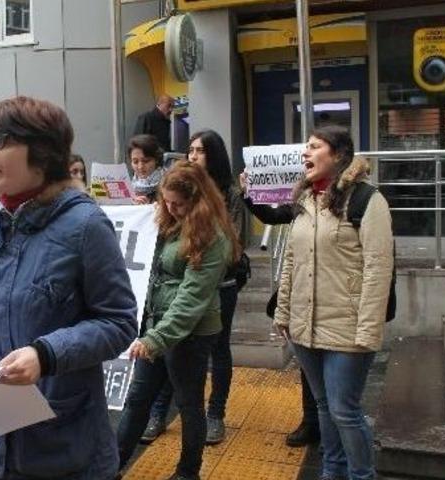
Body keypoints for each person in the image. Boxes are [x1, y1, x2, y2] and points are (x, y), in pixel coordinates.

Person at [0, 96, 137, 480]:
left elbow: (118, 322)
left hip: (60, 447)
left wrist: (45, 355)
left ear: (41, 152)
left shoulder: (86, 226)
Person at [274, 126, 393, 480]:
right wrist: (283, 312)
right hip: (304, 326)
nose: (304, 153)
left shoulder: (368, 200)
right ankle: (332, 471)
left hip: (348, 328)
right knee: (325, 407)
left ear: (338, 154)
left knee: (344, 410)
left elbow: (377, 268)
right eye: (304, 147)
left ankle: (361, 475)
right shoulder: (306, 200)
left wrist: (368, 330)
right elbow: (291, 262)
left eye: (314, 147)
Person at [117, 161, 240, 480]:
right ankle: (111, 467)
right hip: (157, 325)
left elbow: (192, 298)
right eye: (166, 202)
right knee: (137, 399)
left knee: (189, 404)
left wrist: (155, 339)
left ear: (197, 200)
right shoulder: (167, 219)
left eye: (179, 204)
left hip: (192, 333)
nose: (171, 209)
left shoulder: (212, 235)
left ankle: (188, 472)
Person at [140, 130, 247, 446]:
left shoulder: (230, 193)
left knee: (216, 350)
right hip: (181, 288)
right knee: (170, 356)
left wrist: (202, 250)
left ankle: (215, 415)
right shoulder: (176, 195)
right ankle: (159, 413)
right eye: (190, 150)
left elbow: (232, 244)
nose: (194, 156)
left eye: (201, 150)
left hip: (220, 284)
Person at [238, 171, 319, 448]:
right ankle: (312, 423)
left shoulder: (358, 203)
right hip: (303, 296)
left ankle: (331, 437)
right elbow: (271, 217)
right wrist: (249, 192)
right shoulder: (302, 204)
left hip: (335, 298)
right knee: (309, 367)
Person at [128, 134, 165, 204]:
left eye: (146, 161)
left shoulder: (168, 183)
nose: (140, 167)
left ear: (156, 159)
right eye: (135, 162)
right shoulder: (129, 187)